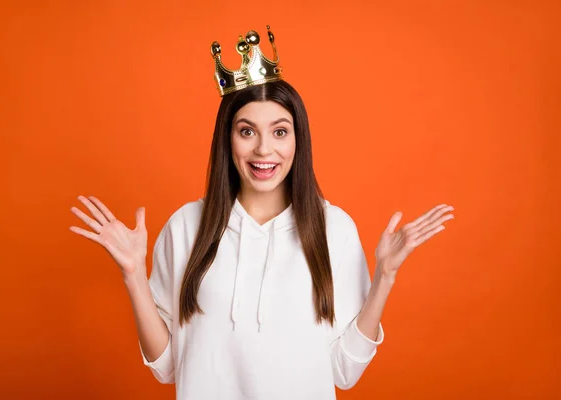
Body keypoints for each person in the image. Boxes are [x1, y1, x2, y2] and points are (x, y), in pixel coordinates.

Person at [69, 26, 454, 400]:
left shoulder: (334, 229)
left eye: (280, 131)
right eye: (247, 131)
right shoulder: (186, 226)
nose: (264, 150)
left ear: (298, 140)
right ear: (228, 138)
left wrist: (384, 277)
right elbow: (167, 367)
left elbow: (344, 372)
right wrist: (134, 275)